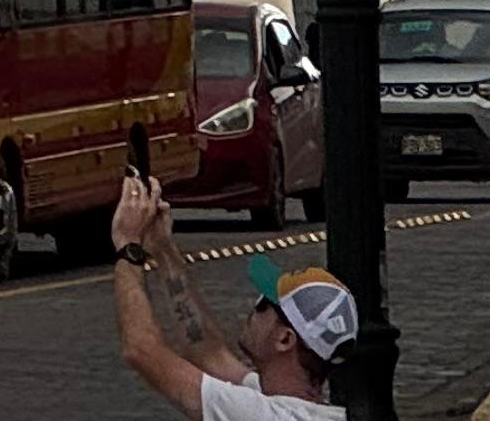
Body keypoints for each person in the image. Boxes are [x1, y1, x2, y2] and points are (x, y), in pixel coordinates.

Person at [105, 174, 354, 421]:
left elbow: (141, 349)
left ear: (285, 339)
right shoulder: (290, 404)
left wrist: (128, 245)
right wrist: (163, 248)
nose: (254, 306)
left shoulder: (262, 415)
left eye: (264, 304)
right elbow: (208, 353)